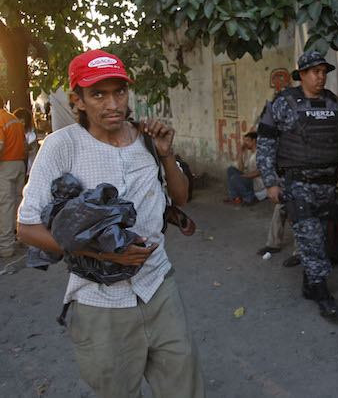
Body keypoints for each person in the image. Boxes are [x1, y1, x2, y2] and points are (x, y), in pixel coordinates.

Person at [16, 49, 205, 398]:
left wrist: (165, 153)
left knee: (184, 386)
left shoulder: (147, 138)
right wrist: (105, 256)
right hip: (99, 299)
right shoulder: (62, 146)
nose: (112, 103)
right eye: (98, 94)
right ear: (78, 100)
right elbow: (26, 227)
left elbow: (180, 199)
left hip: (158, 285)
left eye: (119, 91)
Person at [257, 50, 338, 320]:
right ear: (301, 74)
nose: (321, 76)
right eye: (315, 71)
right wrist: (270, 182)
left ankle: (309, 284)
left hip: (328, 186)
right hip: (298, 185)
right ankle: (321, 293)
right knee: (312, 238)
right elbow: (266, 144)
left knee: (322, 238)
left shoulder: (335, 105)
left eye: (324, 71)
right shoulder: (282, 104)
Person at [0, 96, 26, 258]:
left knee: (5, 206)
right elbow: (24, 144)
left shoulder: (0, 119)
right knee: (19, 204)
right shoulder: (14, 119)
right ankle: (23, 238)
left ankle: (5, 246)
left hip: (6, 166)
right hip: (19, 164)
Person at [224, 131, 263, 206]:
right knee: (230, 170)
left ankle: (250, 198)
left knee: (235, 178)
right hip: (250, 179)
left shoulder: (259, 154)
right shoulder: (250, 154)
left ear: (254, 141)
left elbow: (259, 172)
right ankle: (235, 197)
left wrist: (243, 176)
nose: (245, 143)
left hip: (257, 182)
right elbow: (241, 169)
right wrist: (240, 153)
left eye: (248, 140)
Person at [13, 107, 39, 176]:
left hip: (29, 167)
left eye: (23, 122)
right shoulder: (14, 131)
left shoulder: (31, 133)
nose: (21, 124)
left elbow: (30, 144)